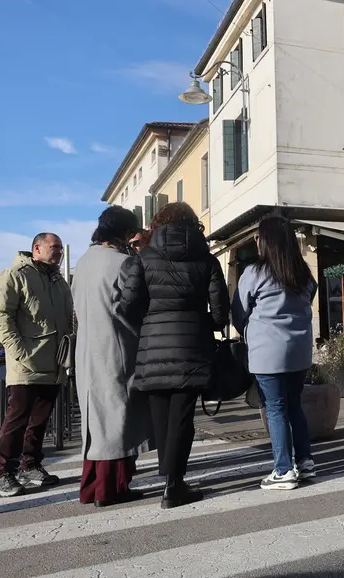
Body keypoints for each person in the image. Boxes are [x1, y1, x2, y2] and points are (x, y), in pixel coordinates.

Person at [117, 202, 229, 509]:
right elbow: (220, 310)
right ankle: (174, 484)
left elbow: (126, 305)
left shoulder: (144, 258)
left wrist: (148, 322)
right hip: (193, 342)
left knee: (161, 415)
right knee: (182, 417)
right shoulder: (206, 259)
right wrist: (207, 322)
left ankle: (170, 480)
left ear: (158, 224)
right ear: (193, 224)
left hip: (153, 343)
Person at [72, 206, 151, 507]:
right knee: (118, 417)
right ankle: (111, 487)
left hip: (87, 348)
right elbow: (132, 308)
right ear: (126, 233)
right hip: (118, 346)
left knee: (97, 419)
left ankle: (92, 486)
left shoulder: (82, 262)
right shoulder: (124, 263)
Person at [232, 217, 318, 491]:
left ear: (265, 241)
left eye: (258, 237)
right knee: (294, 406)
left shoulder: (255, 273)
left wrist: (249, 330)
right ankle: (305, 462)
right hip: (300, 350)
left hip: (268, 351)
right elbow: (310, 298)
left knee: (276, 408)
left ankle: (283, 470)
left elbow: (238, 312)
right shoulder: (303, 272)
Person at [0, 233, 73, 497]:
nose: (58, 251)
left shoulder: (58, 281)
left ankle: (31, 465)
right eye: (53, 247)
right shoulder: (15, 274)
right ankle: (3, 472)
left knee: (39, 420)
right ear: (36, 248)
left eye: (60, 247)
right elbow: (0, 316)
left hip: (54, 363)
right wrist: (18, 351)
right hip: (26, 363)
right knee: (17, 419)